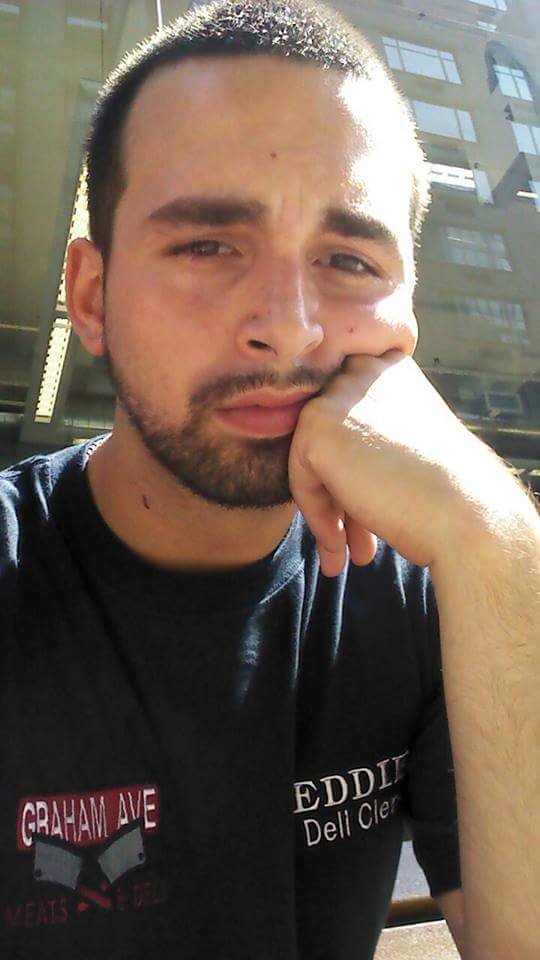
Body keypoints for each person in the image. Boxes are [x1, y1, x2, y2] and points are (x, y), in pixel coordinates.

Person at [1, 2, 538, 958]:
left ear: (409, 318)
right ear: (91, 295)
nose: (288, 328)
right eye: (208, 245)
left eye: (349, 260)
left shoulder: (434, 589)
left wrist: (495, 533)